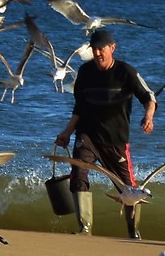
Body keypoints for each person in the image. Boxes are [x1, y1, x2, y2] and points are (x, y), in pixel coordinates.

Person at [53, 26, 157, 238]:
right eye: (94, 49)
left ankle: (133, 232)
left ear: (112, 48)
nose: (97, 53)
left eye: (101, 49)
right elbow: (79, 108)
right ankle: (85, 228)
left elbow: (149, 97)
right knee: (78, 174)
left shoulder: (126, 72)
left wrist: (148, 117)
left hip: (115, 140)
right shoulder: (85, 72)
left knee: (130, 190)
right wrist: (66, 132)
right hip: (87, 136)